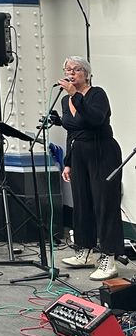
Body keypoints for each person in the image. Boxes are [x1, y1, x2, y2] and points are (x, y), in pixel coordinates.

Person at [53, 57, 123, 281]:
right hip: (79, 154)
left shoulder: (97, 94)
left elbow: (95, 119)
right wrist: (68, 161)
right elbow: (71, 132)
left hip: (102, 152)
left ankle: (109, 258)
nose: (71, 73)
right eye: (68, 70)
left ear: (87, 73)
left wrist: (75, 95)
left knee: (104, 203)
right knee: (81, 203)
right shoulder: (66, 101)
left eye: (77, 69)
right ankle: (84, 250)